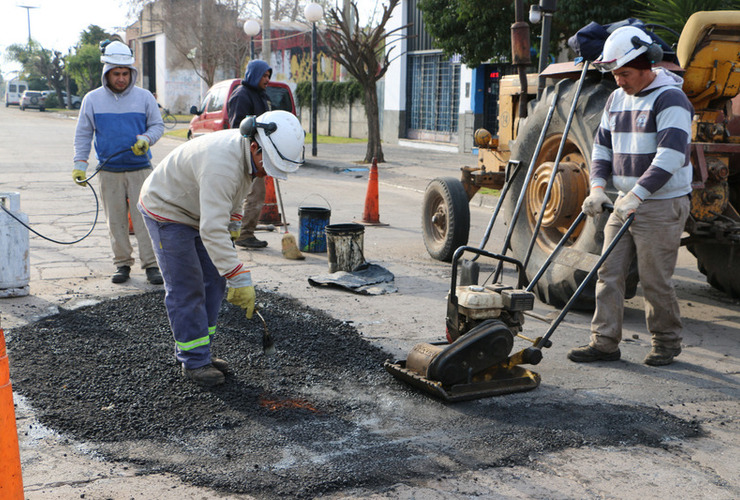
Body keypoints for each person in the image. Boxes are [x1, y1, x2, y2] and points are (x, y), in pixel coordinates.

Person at [137, 110, 304, 387]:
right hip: (167, 209)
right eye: (270, 165)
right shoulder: (222, 164)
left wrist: (234, 224)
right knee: (187, 286)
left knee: (213, 280)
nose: (267, 173)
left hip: (197, 210)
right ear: (255, 146)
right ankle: (193, 362)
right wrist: (238, 275)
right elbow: (212, 229)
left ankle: (201, 350)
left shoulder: (248, 156)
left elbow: (235, 196)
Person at [567, 26, 693, 366]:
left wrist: (637, 194)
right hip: (624, 202)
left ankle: (666, 342)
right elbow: (602, 147)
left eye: (625, 73)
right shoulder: (615, 98)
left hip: (661, 203)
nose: (619, 80)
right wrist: (596, 187)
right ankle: (604, 342)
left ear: (647, 66)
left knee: (655, 279)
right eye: (614, 73)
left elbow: (669, 156)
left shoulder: (671, 99)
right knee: (608, 272)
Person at [72, 40, 165, 285]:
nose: (121, 78)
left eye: (125, 74)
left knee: (146, 219)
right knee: (116, 221)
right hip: (108, 170)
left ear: (131, 73)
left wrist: (147, 138)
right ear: (107, 74)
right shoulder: (92, 100)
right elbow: (83, 133)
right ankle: (122, 263)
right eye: (116, 74)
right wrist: (80, 164)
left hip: (141, 170)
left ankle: (152, 265)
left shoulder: (144, 97)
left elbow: (157, 126)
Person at [226, 59, 273, 249]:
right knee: (254, 194)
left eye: (269, 76)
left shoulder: (261, 96)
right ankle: (244, 234)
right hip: (247, 154)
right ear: (254, 75)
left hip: (259, 153)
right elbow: (238, 127)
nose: (267, 79)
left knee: (254, 194)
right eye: (264, 75)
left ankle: (241, 231)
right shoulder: (242, 95)